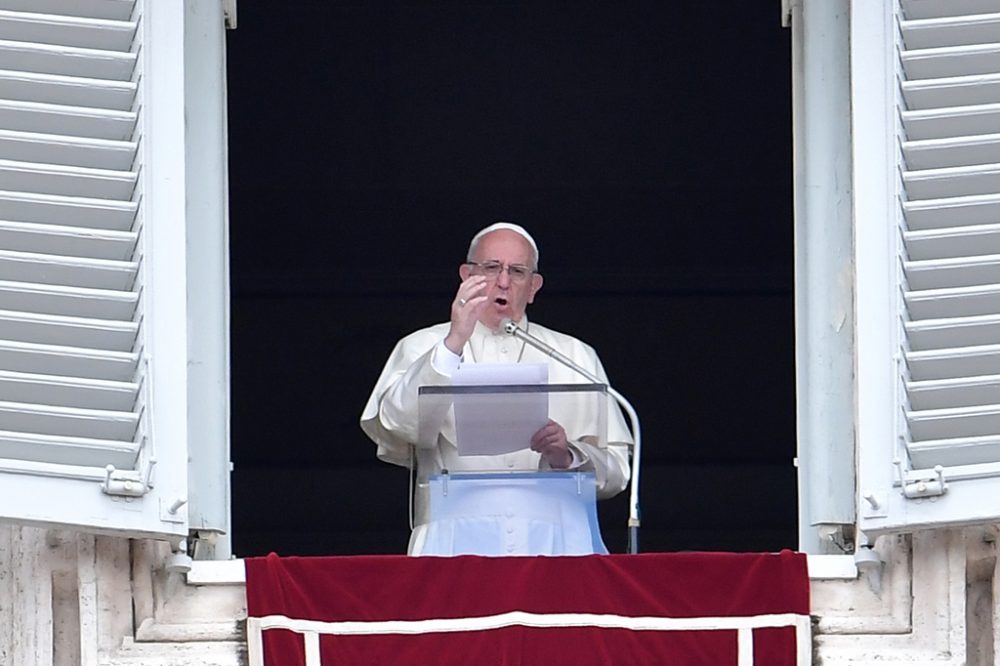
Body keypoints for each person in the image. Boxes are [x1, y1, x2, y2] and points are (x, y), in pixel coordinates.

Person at [360, 222, 632, 554]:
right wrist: (453, 342)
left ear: (533, 287)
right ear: (465, 275)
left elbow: (618, 470)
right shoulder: (422, 346)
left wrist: (568, 455)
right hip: (452, 541)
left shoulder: (575, 355)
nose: (503, 281)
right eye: (491, 268)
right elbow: (397, 426)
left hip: (557, 544)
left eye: (517, 272)